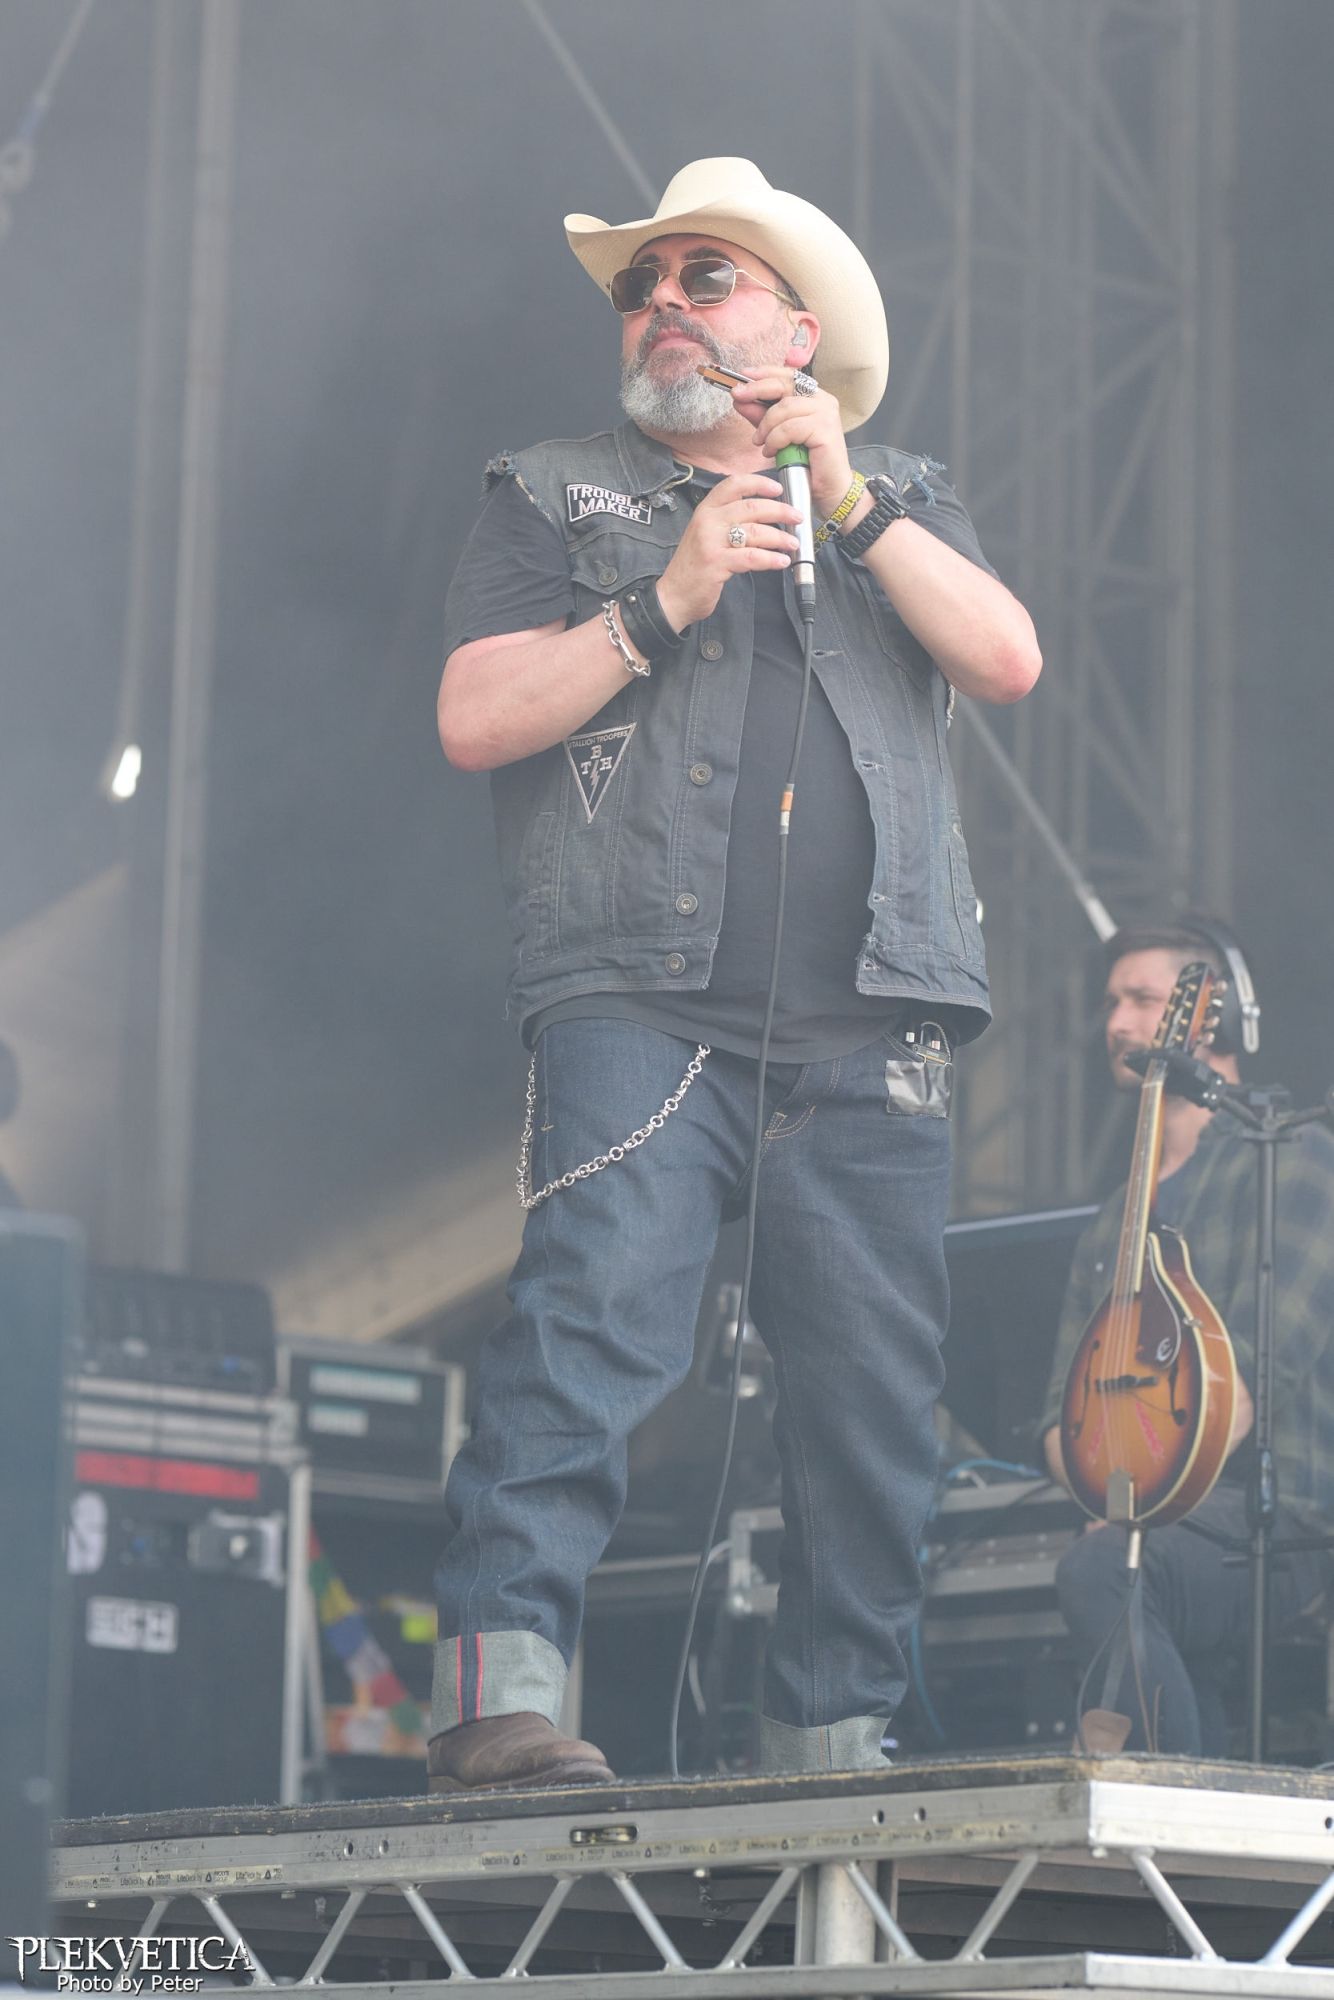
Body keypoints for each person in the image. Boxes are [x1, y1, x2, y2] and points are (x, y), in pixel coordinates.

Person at [429, 157, 1041, 1792]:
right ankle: (498, 1702)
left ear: (796, 327)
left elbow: (1005, 658)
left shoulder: (894, 491)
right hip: (638, 997)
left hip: (872, 1019)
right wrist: (670, 592)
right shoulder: (555, 491)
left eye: (702, 277)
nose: (662, 305)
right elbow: (474, 717)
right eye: (642, 284)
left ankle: (832, 1749)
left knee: (869, 1404)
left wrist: (848, 504)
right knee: (584, 1334)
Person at [1039, 923, 1334, 1756]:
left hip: (1286, 1523)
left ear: (1213, 1018)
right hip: (1155, 1524)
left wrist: (1134, 1507)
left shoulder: (1295, 1157)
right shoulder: (1108, 1224)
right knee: (1126, 1582)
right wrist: (1113, 1497)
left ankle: (1161, 1811)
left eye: (1142, 999)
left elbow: (1254, 1380)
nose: (1117, 1022)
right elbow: (1058, 1418)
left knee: (1108, 1571)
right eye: (1111, 1002)